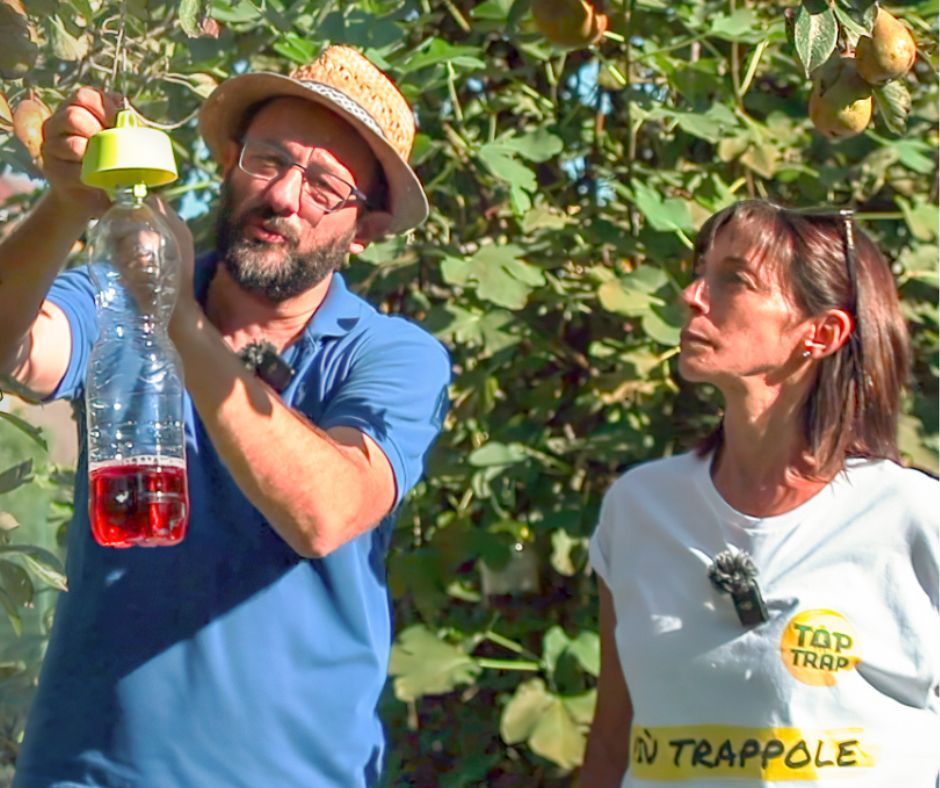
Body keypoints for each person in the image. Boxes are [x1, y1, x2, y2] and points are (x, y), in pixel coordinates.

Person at [1, 45, 450, 786]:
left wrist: (178, 319)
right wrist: (67, 204)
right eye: (268, 160)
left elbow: (324, 513)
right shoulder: (118, 295)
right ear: (228, 165)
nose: (284, 196)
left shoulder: (391, 356)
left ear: (364, 230)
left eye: (326, 186)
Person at [580, 200, 938, 787]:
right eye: (700, 273)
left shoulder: (913, 518)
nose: (692, 296)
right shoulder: (638, 508)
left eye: (734, 280)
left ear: (821, 333)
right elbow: (611, 745)